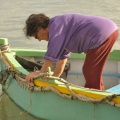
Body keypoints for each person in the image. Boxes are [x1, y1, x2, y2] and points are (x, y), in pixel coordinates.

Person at [24, 13, 119, 90]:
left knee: (90, 70)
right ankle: (98, 93)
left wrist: (39, 73)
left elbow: (50, 56)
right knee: (92, 70)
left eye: (37, 36)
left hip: (102, 34)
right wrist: (55, 78)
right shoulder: (59, 31)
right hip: (108, 31)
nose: (39, 40)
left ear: (40, 28)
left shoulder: (56, 28)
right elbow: (62, 59)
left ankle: (95, 99)